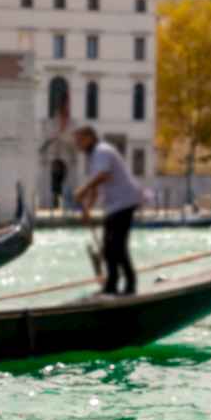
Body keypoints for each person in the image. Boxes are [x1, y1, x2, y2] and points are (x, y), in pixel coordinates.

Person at [71, 125, 142, 296]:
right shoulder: (94, 156)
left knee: (116, 246)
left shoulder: (102, 151)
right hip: (114, 205)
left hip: (124, 201)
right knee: (109, 247)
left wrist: (83, 190)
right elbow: (97, 183)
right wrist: (88, 208)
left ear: (89, 137)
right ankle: (111, 285)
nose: (77, 144)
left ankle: (129, 285)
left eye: (79, 140)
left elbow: (103, 175)